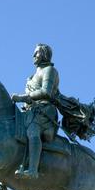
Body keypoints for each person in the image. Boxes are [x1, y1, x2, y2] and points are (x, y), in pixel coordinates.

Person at [11, 44, 59, 179]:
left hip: (45, 111)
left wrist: (23, 97)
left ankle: (32, 170)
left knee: (32, 131)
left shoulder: (50, 70)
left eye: (36, 53)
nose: (33, 56)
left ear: (44, 55)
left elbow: (46, 91)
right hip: (31, 109)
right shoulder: (33, 75)